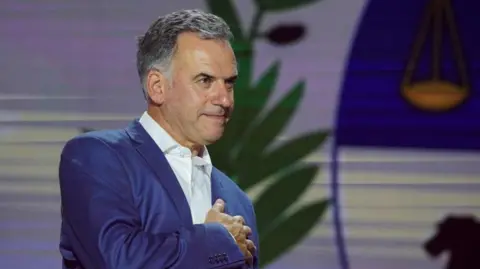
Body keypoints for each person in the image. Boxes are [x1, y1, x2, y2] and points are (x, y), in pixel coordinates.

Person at [58, 9, 259, 269]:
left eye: (229, 83)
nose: (224, 99)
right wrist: (217, 240)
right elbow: (118, 260)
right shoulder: (96, 157)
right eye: (205, 80)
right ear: (157, 86)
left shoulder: (237, 199)